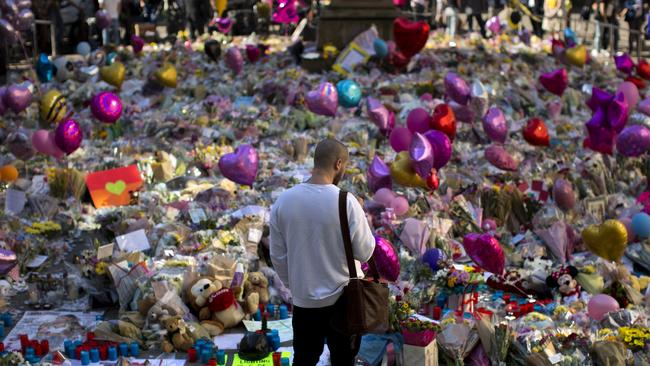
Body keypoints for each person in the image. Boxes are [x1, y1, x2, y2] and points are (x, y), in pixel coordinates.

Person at [270, 139, 375, 366]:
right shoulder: (347, 202)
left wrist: (296, 285)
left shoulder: (284, 201)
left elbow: (278, 257)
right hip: (344, 299)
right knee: (343, 360)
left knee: (305, 358)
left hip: (305, 301)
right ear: (339, 164)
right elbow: (365, 252)